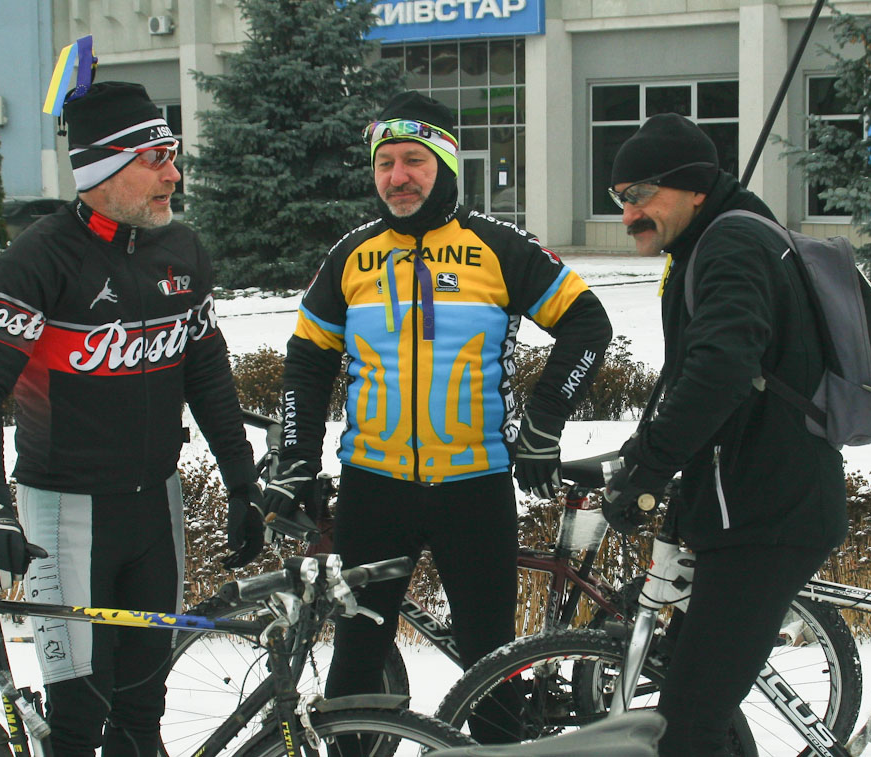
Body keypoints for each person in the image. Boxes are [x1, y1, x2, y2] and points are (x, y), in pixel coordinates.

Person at [261, 91, 612, 739]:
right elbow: (307, 361)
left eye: (414, 161)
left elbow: (587, 324)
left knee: (490, 667)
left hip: (473, 488)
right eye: (385, 163)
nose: (397, 177)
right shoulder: (352, 255)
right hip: (373, 488)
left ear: (446, 163)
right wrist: (297, 457)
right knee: (357, 659)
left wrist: (542, 425)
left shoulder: (497, 245)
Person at [0, 81, 265, 757]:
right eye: (156, 159)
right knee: (78, 722)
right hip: (64, 514)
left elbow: (207, 373)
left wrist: (241, 482)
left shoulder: (182, 250)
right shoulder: (39, 259)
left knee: (142, 713)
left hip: (156, 509)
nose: (173, 175)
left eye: (173, 156)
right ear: (102, 169)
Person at [602, 113, 848, 755]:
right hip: (747, 504)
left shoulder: (731, 245)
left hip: (768, 516)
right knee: (690, 706)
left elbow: (721, 371)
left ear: (695, 188)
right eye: (619, 197)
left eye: (639, 195)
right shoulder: (717, 239)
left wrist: (650, 466)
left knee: (688, 728)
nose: (628, 214)